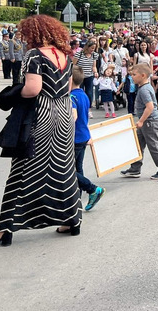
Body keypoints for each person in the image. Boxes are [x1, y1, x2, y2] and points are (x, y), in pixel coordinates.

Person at [0, 15, 81, 246]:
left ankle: (7, 227)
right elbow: (68, 87)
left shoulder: (35, 56)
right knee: (63, 167)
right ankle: (72, 220)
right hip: (63, 114)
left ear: (34, 34)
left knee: (23, 168)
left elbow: (33, 89)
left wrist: (11, 93)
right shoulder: (64, 55)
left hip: (41, 116)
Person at [119, 63, 158, 180]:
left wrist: (141, 121)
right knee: (138, 144)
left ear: (143, 75)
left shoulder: (144, 90)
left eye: (134, 74)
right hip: (146, 121)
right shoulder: (144, 87)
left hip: (149, 121)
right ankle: (135, 168)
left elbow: (150, 107)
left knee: (153, 145)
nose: (131, 76)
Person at [69, 66, 105, 211]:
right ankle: (76, 198)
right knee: (78, 168)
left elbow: (74, 116)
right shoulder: (83, 95)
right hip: (83, 136)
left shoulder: (71, 97)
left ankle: (93, 189)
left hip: (74, 138)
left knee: (68, 170)